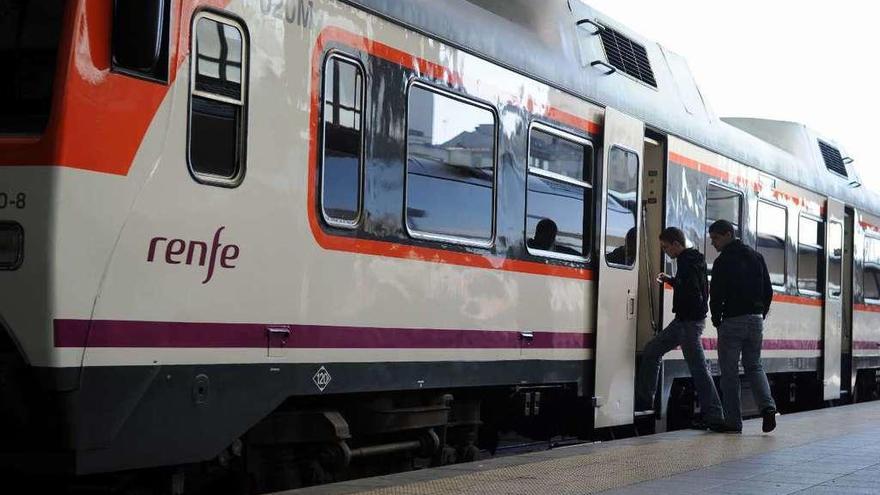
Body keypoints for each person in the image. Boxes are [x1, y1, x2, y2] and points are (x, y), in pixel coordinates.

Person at [634, 227, 724, 429]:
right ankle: (644, 403)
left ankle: (716, 415)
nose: (666, 252)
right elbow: (692, 286)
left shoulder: (687, 260)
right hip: (683, 322)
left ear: (676, 244)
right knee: (652, 351)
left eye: (666, 247)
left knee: (699, 369)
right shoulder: (691, 260)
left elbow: (694, 290)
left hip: (688, 324)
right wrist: (672, 281)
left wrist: (683, 296)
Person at [708, 219, 778, 434]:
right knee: (754, 366)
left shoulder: (723, 261)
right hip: (755, 320)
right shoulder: (757, 257)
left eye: (716, 238)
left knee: (729, 373)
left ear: (728, 234)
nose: (713, 243)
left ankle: (733, 422)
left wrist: (716, 318)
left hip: (732, 321)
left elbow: (716, 293)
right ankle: (768, 408)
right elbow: (768, 290)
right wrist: (760, 314)